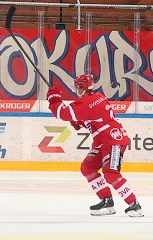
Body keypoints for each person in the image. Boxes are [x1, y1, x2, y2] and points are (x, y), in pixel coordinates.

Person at [47, 72, 144, 218]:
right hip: (103, 142)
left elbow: (63, 113)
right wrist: (80, 121)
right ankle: (107, 201)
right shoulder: (97, 98)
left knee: (111, 174)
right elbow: (95, 117)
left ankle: (134, 205)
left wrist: (54, 98)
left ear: (84, 88)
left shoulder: (86, 103)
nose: (76, 90)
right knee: (88, 167)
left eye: (78, 87)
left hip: (112, 141)